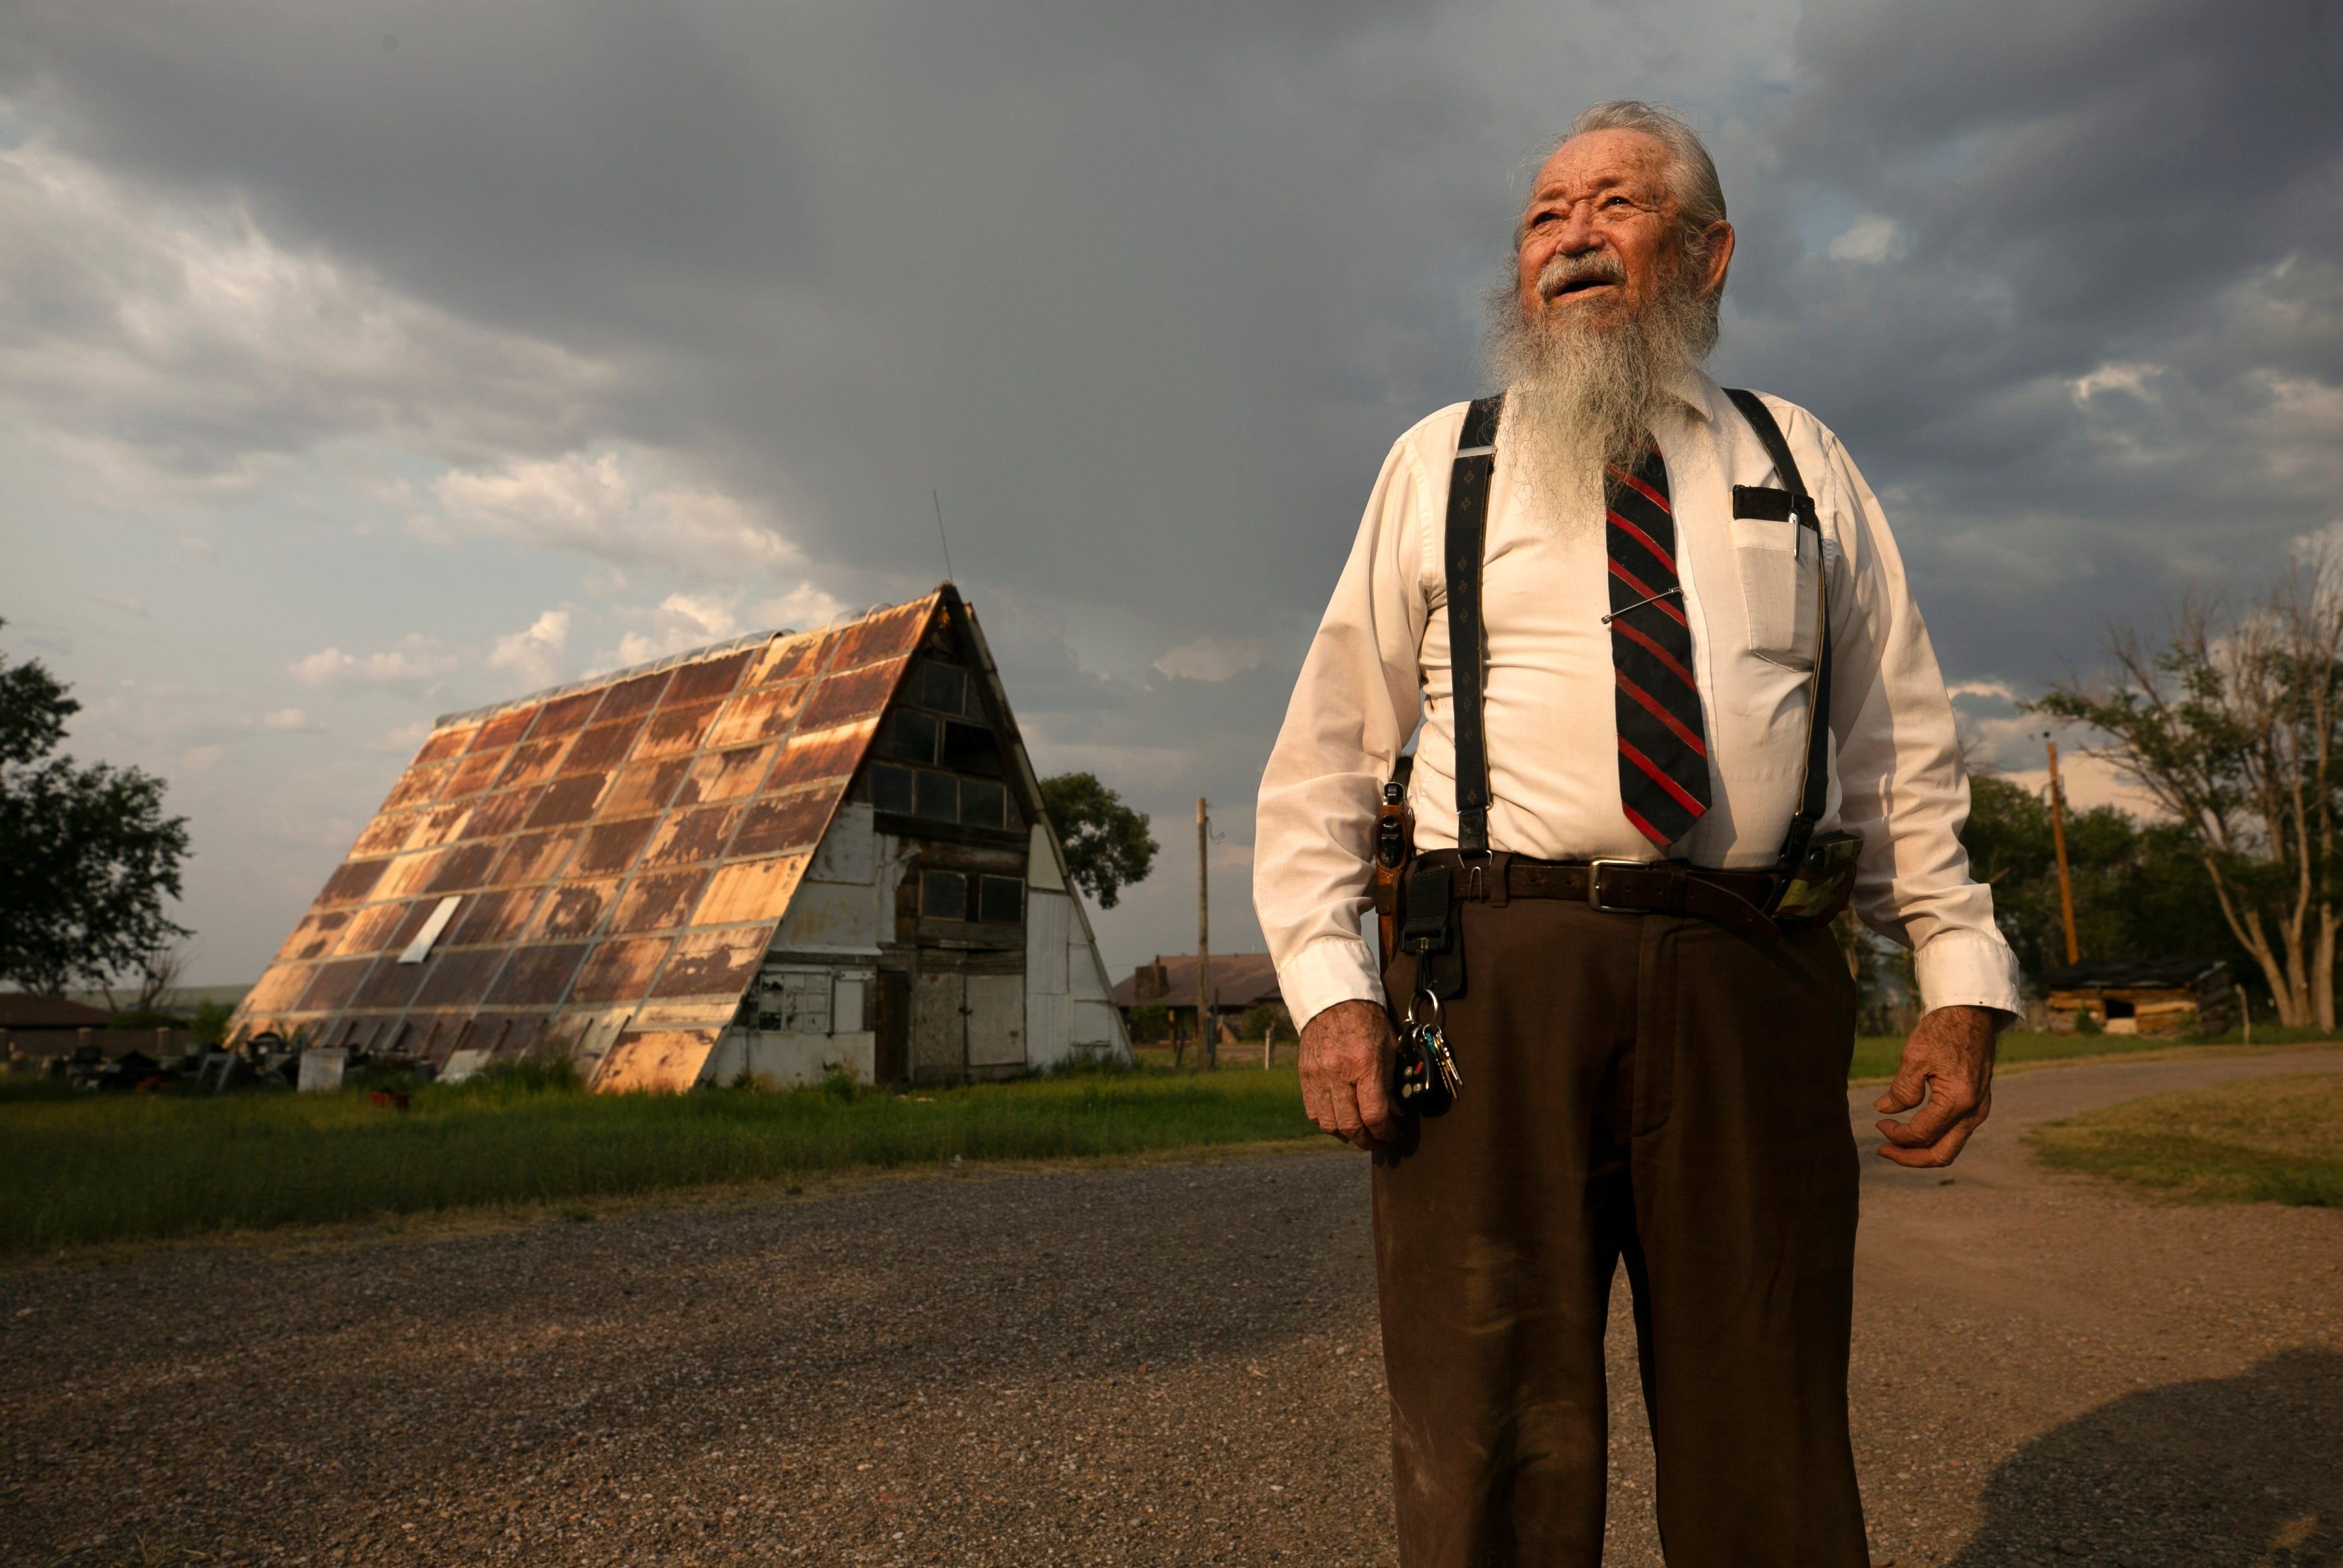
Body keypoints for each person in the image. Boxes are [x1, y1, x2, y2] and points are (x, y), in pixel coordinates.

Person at [1252, 100, 2021, 1567]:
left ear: (1708, 252)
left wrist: (1958, 981)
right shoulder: (1441, 463)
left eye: (1614, 204)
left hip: (1753, 975)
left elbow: (1900, 753)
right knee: (1487, 1431)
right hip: (1496, 983)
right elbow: (1321, 762)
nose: (1572, 236)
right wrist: (1332, 990)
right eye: (1545, 215)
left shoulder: (1799, 462)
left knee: (1768, 1430)